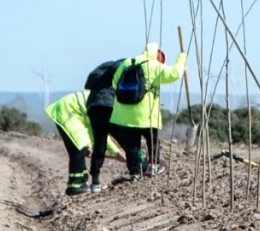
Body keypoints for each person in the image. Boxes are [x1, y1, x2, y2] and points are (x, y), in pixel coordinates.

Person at [109, 42, 186, 180]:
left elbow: (114, 82)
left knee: (132, 146)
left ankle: (134, 173)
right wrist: (182, 58)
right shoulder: (154, 66)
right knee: (152, 141)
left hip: (125, 115)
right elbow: (175, 74)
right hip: (147, 114)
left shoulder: (127, 62)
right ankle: (154, 167)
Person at [45, 90, 121, 196]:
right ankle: (76, 186)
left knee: (81, 145)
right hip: (67, 110)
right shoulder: (107, 106)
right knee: (80, 144)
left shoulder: (108, 101)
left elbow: (94, 130)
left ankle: (79, 184)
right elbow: (100, 134)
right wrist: (117, 152)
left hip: (72, 111)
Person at [84, 60, 120, 193]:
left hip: (93, 105)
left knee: (100, 142)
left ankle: (95, 182)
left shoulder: (103, 69)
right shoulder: (124, 68)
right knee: (126, 138)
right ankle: (139, 169)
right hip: (108, 106)